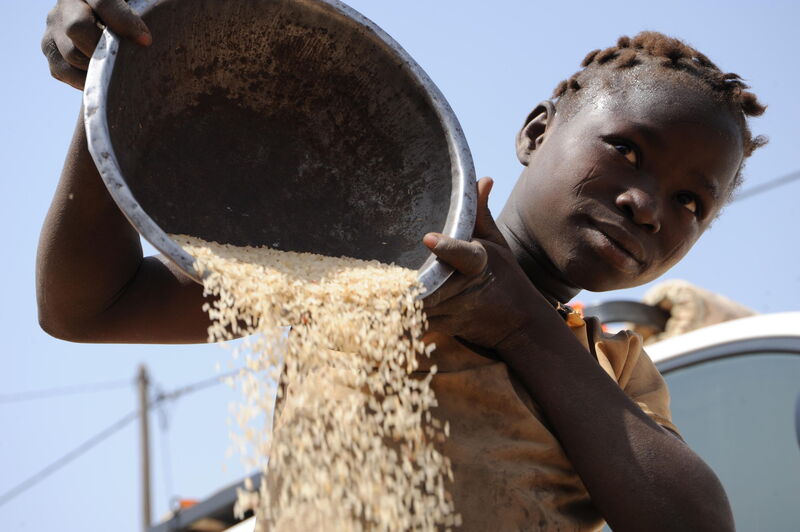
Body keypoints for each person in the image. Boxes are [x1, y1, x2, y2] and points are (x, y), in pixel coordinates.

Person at [39, 1, 766, 530]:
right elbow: (90, 308)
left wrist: (520, 327)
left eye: (691, 203)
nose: (646, 204)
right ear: (538, 131)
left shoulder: (609, 369)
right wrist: (111, 87)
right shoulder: (372, 262)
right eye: (626, 150)